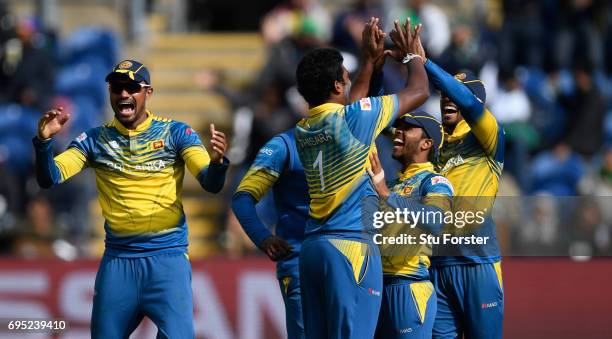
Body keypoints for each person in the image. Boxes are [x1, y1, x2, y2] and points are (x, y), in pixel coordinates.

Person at [32, 59, 229, 338]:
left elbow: (210, 183)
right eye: (117, 87)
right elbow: (49, 178)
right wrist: (43, 144)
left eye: (132, 87)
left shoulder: (176, 133)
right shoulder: (94, 140)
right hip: (118, 262)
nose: (124, 94)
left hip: (167, 260)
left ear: (147, 92)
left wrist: (218, 163)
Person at [293, 17, 429, 338]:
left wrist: (368, 62)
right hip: (351, 248)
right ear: (339, 86)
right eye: (346, 76)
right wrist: (413, 56)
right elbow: (420, 90)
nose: (350, 80)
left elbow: (353, 101)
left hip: (312, 249)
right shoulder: (355, 119)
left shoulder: (302, 128)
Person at [421, 57, 505, 337]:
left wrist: (425, 63)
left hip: (476, 263)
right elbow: (387, 128)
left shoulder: (490, 137)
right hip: (438, 263)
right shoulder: (434, 143)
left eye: (453, 94)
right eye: (444, 94)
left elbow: (469, 104)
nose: (447, 99)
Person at [368, 112, 453, 338]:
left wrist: (386, 195)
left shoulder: (434, 182)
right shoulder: (391, 183)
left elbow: (437, 221)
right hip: (375, 288)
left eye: (408, 128)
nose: (399, 131)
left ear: (427, 143)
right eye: (399, 127)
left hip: (409, 288)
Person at [232, 128, 309, 339]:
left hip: (302, 263)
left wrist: (262, 237)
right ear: (339, 91)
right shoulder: (361, 131)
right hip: (345, 261)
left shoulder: (285, 143)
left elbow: (241, 200)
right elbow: (242, 199)